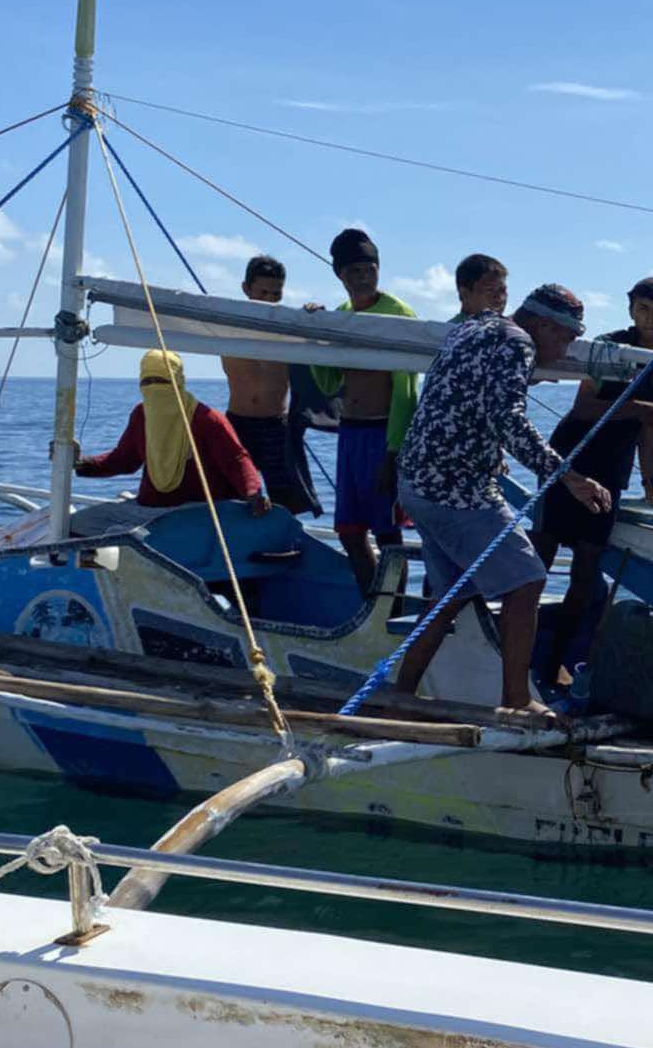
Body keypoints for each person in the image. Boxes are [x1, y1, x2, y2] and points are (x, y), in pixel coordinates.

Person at [393, 284, 611, 714]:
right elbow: (508, 418)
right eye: (566, 339)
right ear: (545, 326)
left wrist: (487, 453)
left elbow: (462, 401)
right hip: (456, 491)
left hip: (416, 481)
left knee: (449, 593)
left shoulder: (474, 326)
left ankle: (400, 695)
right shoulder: (518, 343)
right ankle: (516, 699)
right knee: (527, 579)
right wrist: (569, 477)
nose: (563, 350)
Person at [530, 275, 653, 684]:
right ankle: (516, 651)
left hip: (612, 468)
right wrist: (641, 407)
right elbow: (585, 407)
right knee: (539, 557)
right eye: (642, 308)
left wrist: (649, 485)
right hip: (573, 455)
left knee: (587, 567)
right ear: (630, 310)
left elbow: (650, 428)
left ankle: (554, 661)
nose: (649, 317)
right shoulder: (610, 346)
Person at [306, 229, 417, 594]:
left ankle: (394, 611)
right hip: (349, 433)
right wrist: (317, 332)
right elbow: (327, 383)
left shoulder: (398, 314)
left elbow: (406, 390)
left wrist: (394, 451)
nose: (364, 277)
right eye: (355, 271)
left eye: (370, 268)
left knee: (388, 533)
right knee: (350, 532)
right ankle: (373, 604)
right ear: (340, 275)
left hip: (383, 434)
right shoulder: (341, 315)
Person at [76, 349, 269, 515]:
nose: (154, 388)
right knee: (76, 525)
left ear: (178, 382)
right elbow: (123, 460)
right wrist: (80, 463)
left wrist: (253, 492)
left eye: (161, 381)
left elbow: (236, 460)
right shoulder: (141, 415)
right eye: (147, 382)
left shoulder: (206, 418)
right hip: (149, 510)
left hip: (197, 513)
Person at [221, 254, 323, 516]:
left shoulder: (291, 326)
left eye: (276, 294)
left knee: (289, 502)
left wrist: (315, 316)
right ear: (246, 288)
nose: (269, 300)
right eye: (262, 292)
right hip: (237, 423)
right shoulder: (223, 321)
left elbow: (321, 342)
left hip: (277, 424)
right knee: (233, 497)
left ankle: (288, 547)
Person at [454, 252, 509, 318]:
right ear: (465, 294)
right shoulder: (448, 328)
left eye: (502, 290)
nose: (499, 297)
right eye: (490, 290)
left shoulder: (509, 326)